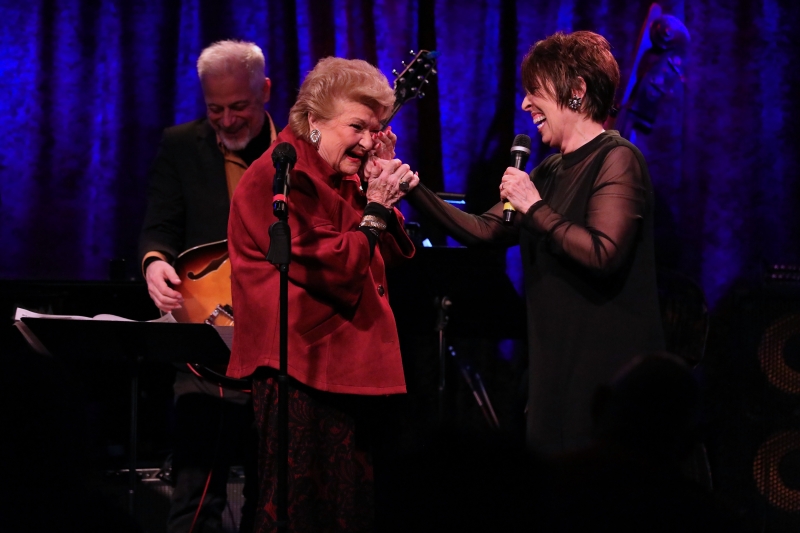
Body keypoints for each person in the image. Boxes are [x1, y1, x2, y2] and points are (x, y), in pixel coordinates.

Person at [406, 31, 665, 454]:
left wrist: (535, 207)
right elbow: (483, 229)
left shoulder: (617, 158)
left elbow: (603, 254)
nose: (525, 104)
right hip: (553, 364)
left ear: (577, 91)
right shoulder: (547, 172)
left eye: (535, 91)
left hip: (604, 369)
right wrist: (411, 187)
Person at [227, 56, 418, 532]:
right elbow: (332, 266)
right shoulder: (278, 175)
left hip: (347, 370)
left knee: (348, 513)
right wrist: (375, 208)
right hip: (302, 372)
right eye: (357, 126)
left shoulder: (339, 176)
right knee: (298, 512)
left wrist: (376, 191)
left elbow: (385, 259)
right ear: (314, 121)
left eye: (375, 129)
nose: (369, 140)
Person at [138, 39, 278, 532]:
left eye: (239, 106)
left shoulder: (293, 152)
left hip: (278, 345)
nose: (227, 120)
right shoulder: (180, 144)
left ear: (264, 90)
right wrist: (155, 263)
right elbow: (160, 225)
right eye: (214, 108)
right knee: (196, 497)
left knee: (273, 499)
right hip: (205, 333)